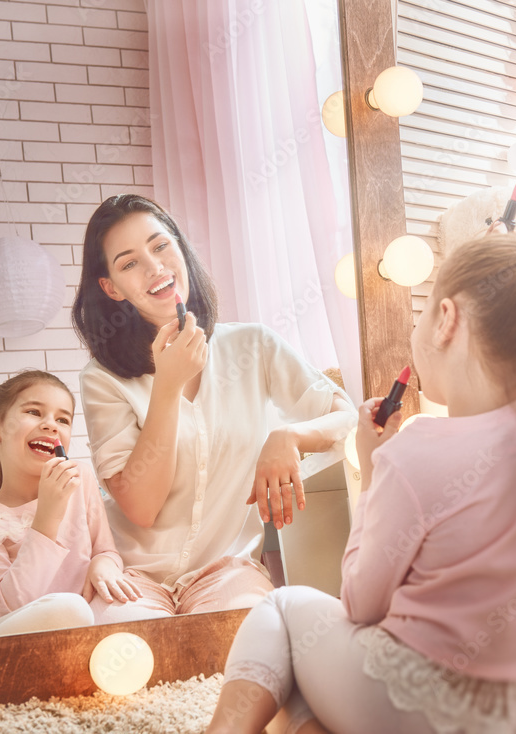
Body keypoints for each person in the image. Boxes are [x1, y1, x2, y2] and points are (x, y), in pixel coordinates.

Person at [207, 235, 516, 734]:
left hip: (412, 706)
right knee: (303, 684)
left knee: (284, 609)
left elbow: (362, 603)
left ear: (446, 319)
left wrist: (373, 466)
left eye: (420, 315)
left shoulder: (416, 452)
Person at [72, 195, 356, 621]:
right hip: (132, 574)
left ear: (181, 250)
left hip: (226, 571)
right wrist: (167, 386)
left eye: (161, 246)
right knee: (125, 660)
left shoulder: (253, 346)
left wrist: (288, 437)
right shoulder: (102, 378)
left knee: (255, 641)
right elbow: (140, 508)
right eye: (129, 263)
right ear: (111, 288)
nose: (154, 267)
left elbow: (345, 414)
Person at [0, 371, 140, 642]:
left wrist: (104, 564)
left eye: (63, 419)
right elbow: (8, 607)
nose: (51, 425)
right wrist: (48, 516)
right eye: (34, 412)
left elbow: (105, 548)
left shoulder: (80, 478)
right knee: (70, 609)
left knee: (127, 611)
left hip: (62, 627)